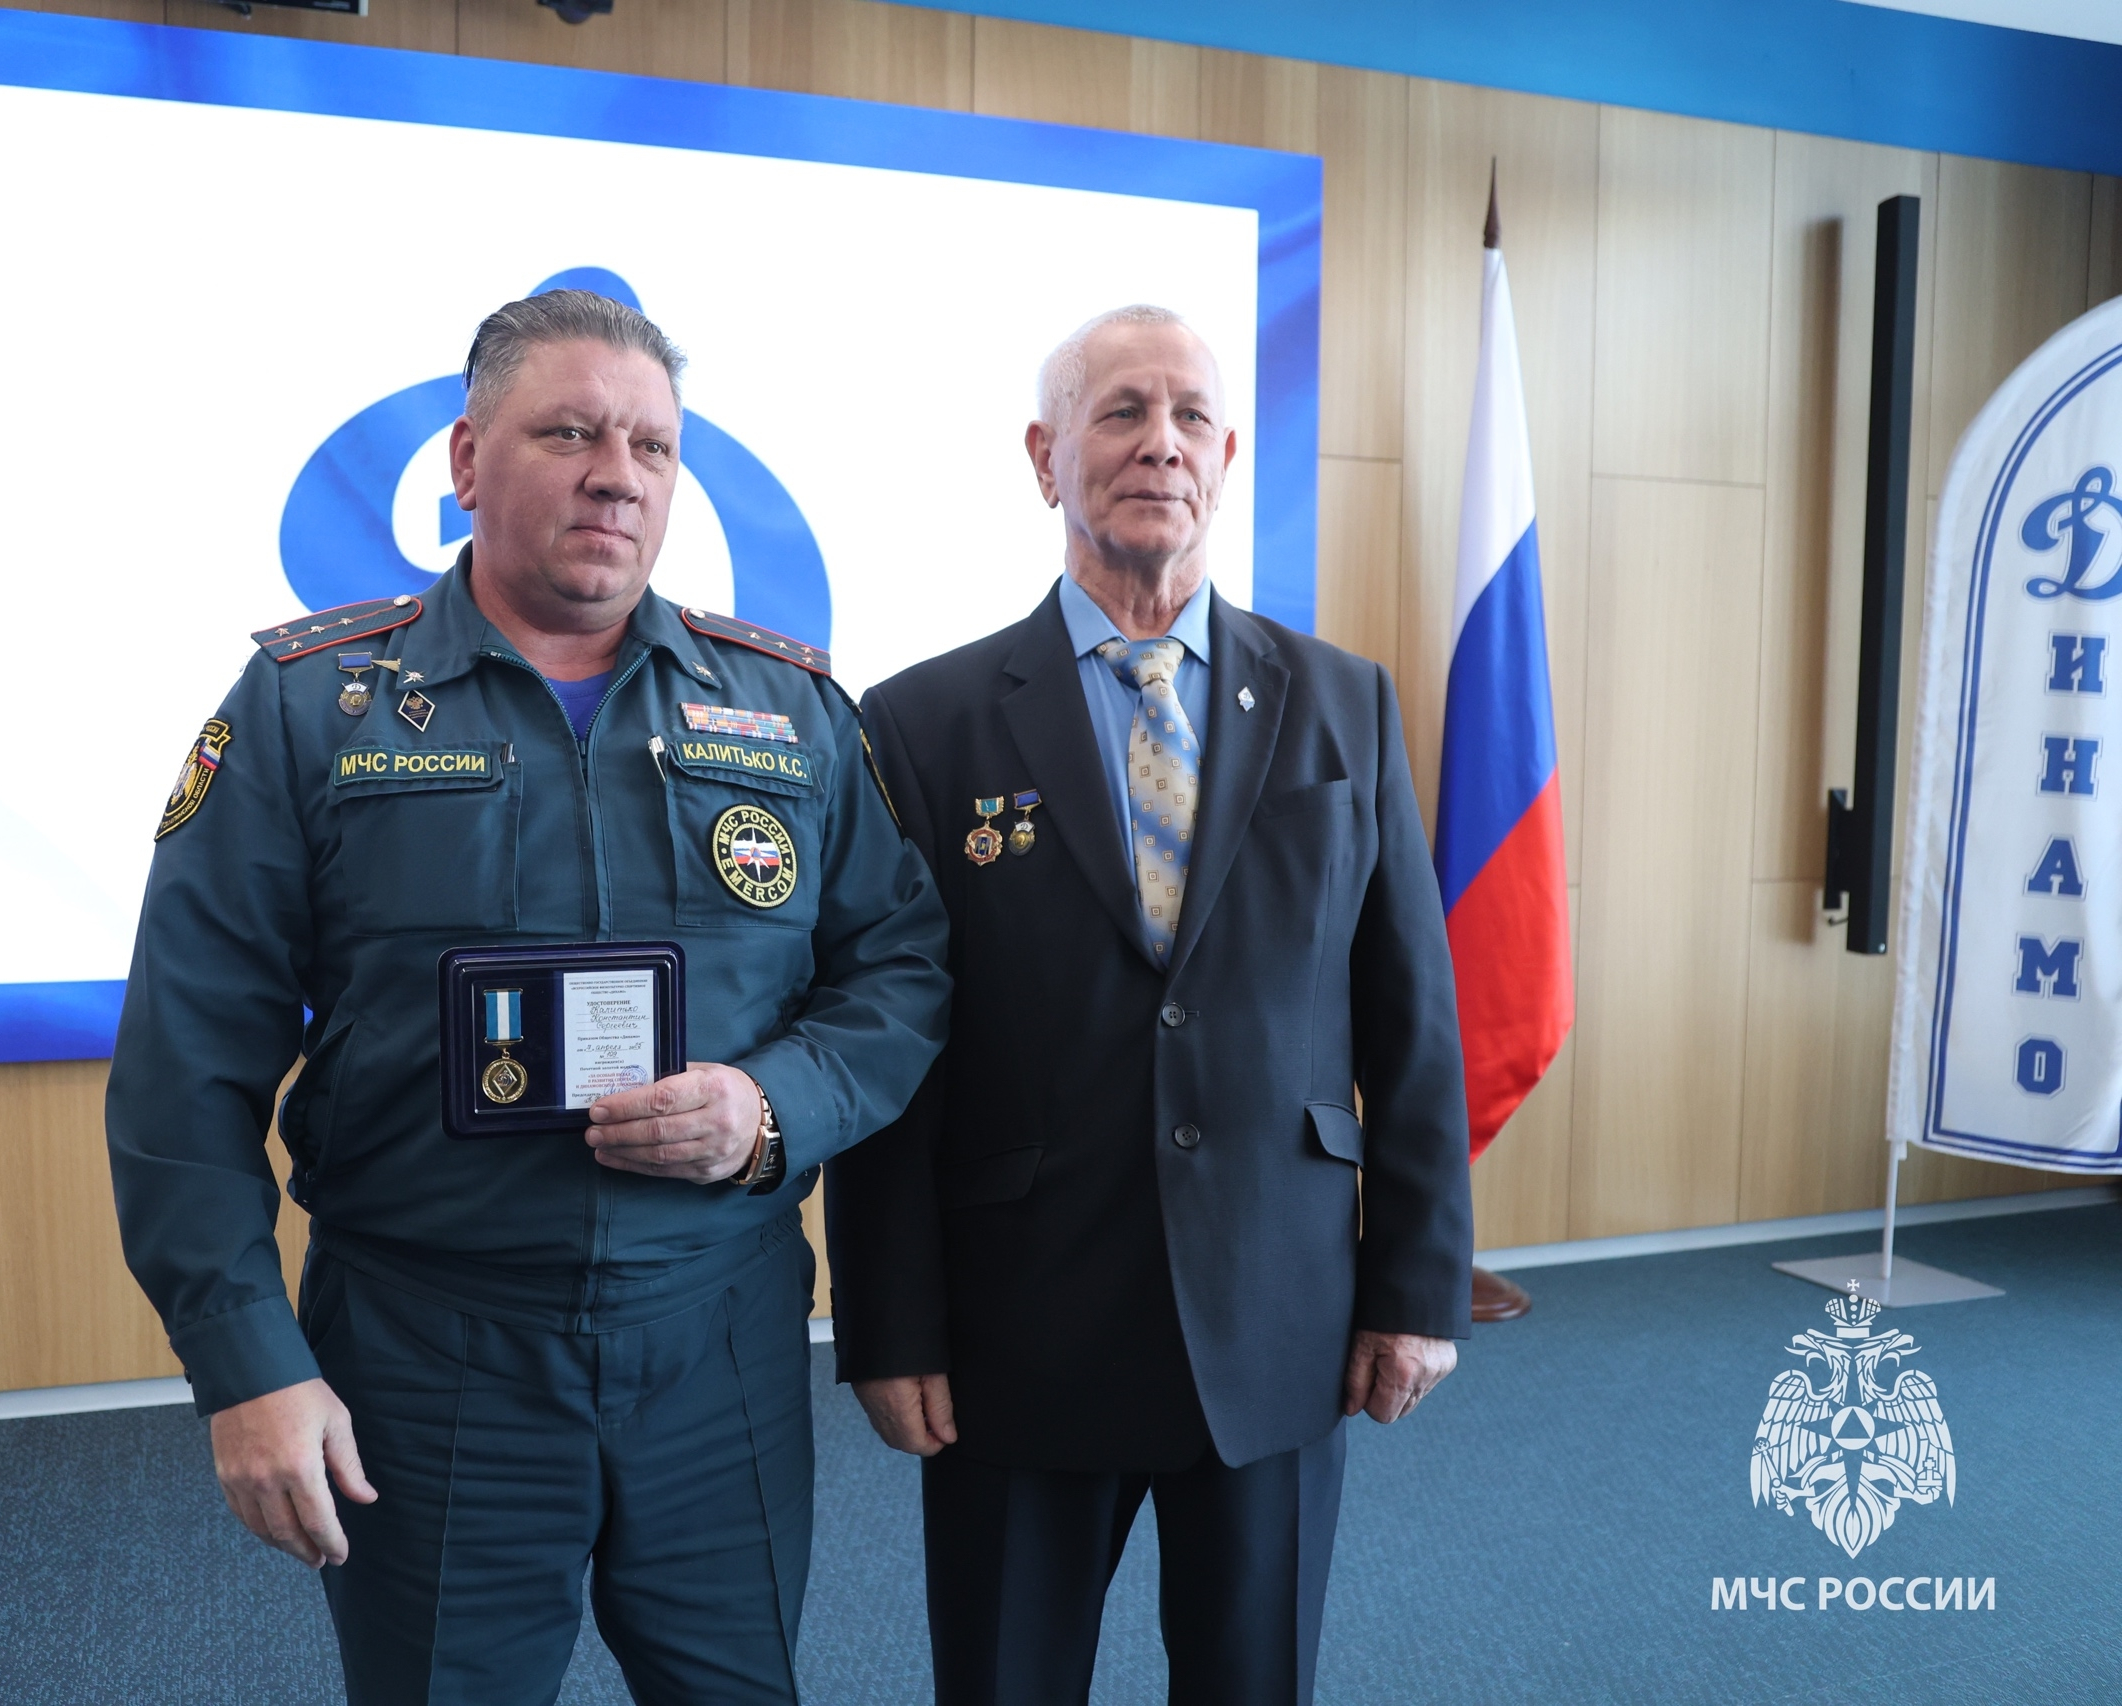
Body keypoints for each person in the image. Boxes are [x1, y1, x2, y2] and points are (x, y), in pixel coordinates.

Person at [107, 289, 951, 1705]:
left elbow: (901, 971)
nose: (617, 474)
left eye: (651, 446)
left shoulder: (787, 709)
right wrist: (244, 1363)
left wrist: (768, 1108)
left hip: (719, 1338)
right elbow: (184, 1071)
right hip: (430, 1348)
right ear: (466, 459)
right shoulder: (311, 706)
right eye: (569, 433)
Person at [825, 305, 1472, 1706]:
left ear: (1228, 459)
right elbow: (888, 1045)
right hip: (1018, 1330)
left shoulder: (1344, 703)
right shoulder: (919, 721)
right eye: (1120, 411)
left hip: (1278, 1317)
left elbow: (1411, 1021)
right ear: (1045, 455)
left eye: (1191, 417)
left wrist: (1418, 1287)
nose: (1159, 443)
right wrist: (890, 1321)